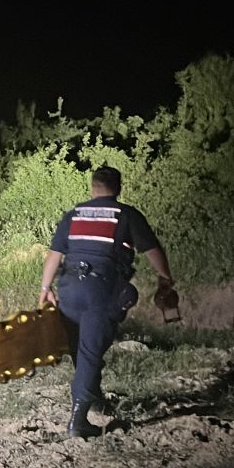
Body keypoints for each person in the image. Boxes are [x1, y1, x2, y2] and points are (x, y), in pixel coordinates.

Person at [39, 165, 176, 438]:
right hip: (99, 290)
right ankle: (78, 420)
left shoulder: (74, 214)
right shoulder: (125, 215)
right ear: (118, 188)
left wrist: (45, 288)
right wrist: (165, 279)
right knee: (90, 352)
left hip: (69, 289)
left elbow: (54, 254)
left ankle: (96, 399)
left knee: (81, 349)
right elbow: (153, 250)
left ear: (92, 188)